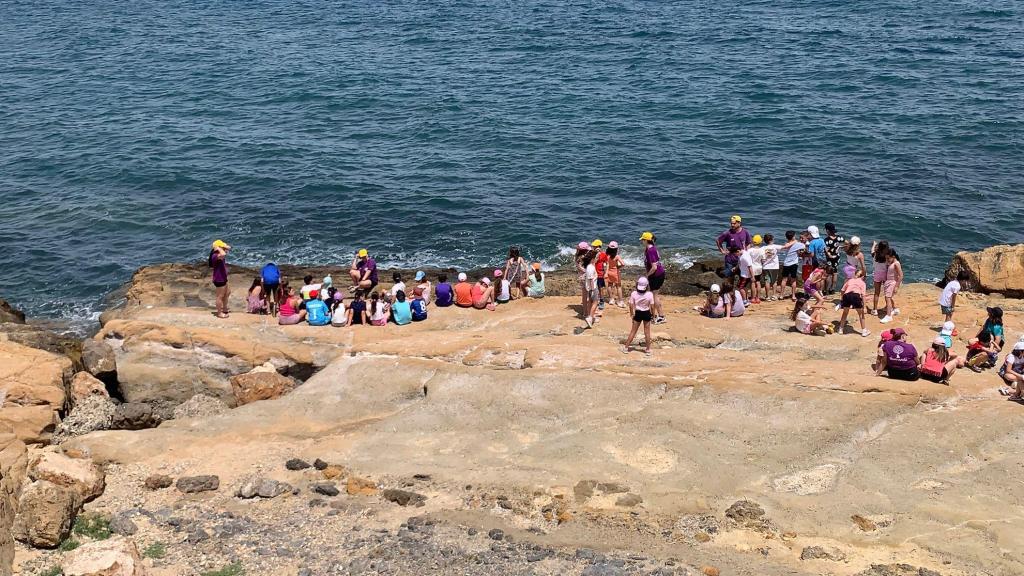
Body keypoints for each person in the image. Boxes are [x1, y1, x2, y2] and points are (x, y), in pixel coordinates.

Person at [622, 276, 654, 355]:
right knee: (647, 332)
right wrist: (653, 314)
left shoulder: (634, 293)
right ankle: (648, 349)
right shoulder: (649, 294)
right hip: (646, 313)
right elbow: (652, 306)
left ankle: (626, 347)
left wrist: (631, 314)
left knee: (633, 331)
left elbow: (630, 305)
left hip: (638, 313)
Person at [640, 232, 667, 324]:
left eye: (643, 240)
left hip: (656, 275)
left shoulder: (651, 250)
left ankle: (661, 316)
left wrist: (647, 276)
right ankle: (653, 314)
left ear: (647, 240)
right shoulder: (650, 249)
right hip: (657, 274)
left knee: (654, 296)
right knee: (652, 295)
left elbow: (654, 267)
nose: (642, 241)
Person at [838, 266, 870, 337]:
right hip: (855, 296)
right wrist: (864, 307)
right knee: (861, 314)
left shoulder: (850, 280)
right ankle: (864, 331)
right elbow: (863, 295)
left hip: (846, 296)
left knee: (845, 312)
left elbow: (842, 290)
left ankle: (841, 329)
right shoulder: (862, 283)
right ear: (863, 277)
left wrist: (842, 299)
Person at [879, 250, 903, 324]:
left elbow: (901, 275)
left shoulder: (896, 264)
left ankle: (889, 316)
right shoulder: (892, 262)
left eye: (888, 258)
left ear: (893, 256)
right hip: (889, 282)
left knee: (888, 298)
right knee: (889, 297)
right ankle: (893, 309)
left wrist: (897, 286)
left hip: (892, 283)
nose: (887, 260)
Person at [209, 240, 231, 318]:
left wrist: (223, 246)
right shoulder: (215, 256)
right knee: (220, 296)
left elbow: (229, 248)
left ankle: (224, 308)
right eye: (222, 247)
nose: (224, 248)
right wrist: (217, 248)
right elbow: (223, 254)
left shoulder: (219, 253)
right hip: (219, 279)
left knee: (227, 292)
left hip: (223, 277)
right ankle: (219, 313)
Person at [823, 223, 845, 295]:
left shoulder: (826, 240)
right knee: (835, 273)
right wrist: (840, 247)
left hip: (829, 258)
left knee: (828, 273)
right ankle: (832, 289)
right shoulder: (839, 238)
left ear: (828, 231)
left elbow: (825, 249)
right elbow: (848, 243)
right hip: (836, 257)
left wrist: (829, 254)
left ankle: (825, 290)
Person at [780, 230, 802, 300]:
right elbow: (803, 247)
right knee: (793, 280)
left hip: (786, 263)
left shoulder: (786, 243)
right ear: (793, 237)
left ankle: (781, 295)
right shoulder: (797, 244)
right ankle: (793, 295)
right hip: (794, 264)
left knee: (784, 280)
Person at [869, 240, 890, 314]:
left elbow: (872, 250)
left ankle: (874, 310)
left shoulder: (875, 254)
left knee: (876, 293)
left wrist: (874, 245)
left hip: (877, 274)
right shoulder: (887, 256)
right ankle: (887, 307)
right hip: (885, 274)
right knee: (887, 292)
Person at [760, 234, 781, 301]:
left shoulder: (763, 248)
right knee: (774, 281)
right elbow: (785, 247)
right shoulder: (775, 246)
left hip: (766, 266)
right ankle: (774, 295)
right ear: (772, 240)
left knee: (767, 281)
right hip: (774, 266)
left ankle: (767, 296)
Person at [605, 242, 625, 307]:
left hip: (609, 272)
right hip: (616, 272)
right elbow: (623, 264)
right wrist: (618, 267)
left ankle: (611, 299)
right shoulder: (617, 256)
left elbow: (607, 264)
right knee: (618, 286)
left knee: (609, 285)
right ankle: (620, 301)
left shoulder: (607, 256)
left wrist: (606, 272)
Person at [574, 242, 591, 316]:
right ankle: (589, 312)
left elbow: (578, 267)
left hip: (581, 277)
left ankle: (585, 312)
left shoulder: (577, 256)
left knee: (584, 295)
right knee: (590, 295)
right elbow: (583, 268)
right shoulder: (585, 257)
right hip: (586, 277)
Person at [583, 251, 599, 328]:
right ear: (592, 259)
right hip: (593, 288)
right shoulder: (590, 267)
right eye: (596, 258)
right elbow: (590, 279)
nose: (597, 259)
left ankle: (591, 317)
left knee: (590, 302)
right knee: (595, 302)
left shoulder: (590, 266)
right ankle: (590, 317)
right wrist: (593, 290)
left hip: (589, 288)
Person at [592, 239, 609, 309]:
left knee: (601, 288)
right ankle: (594, 300)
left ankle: (601, 301)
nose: (594, 248)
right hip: (593, 274)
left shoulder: (603, 254)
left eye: (595, 246)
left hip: (600, 274)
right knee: (593, 288)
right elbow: (592, 263)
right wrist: (596, 256)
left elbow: (607, 263)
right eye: (594, 247)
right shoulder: (592, 254)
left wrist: (606, 272)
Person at [748, 236, 764, 304]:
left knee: (752, 282)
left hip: (752, 268)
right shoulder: (762, 250)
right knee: (758, 282)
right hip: (759, 267)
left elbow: (747, 259)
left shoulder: (750, 250)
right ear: (760, 242)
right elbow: (763, 260)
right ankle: (758, 298)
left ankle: (753, 298)